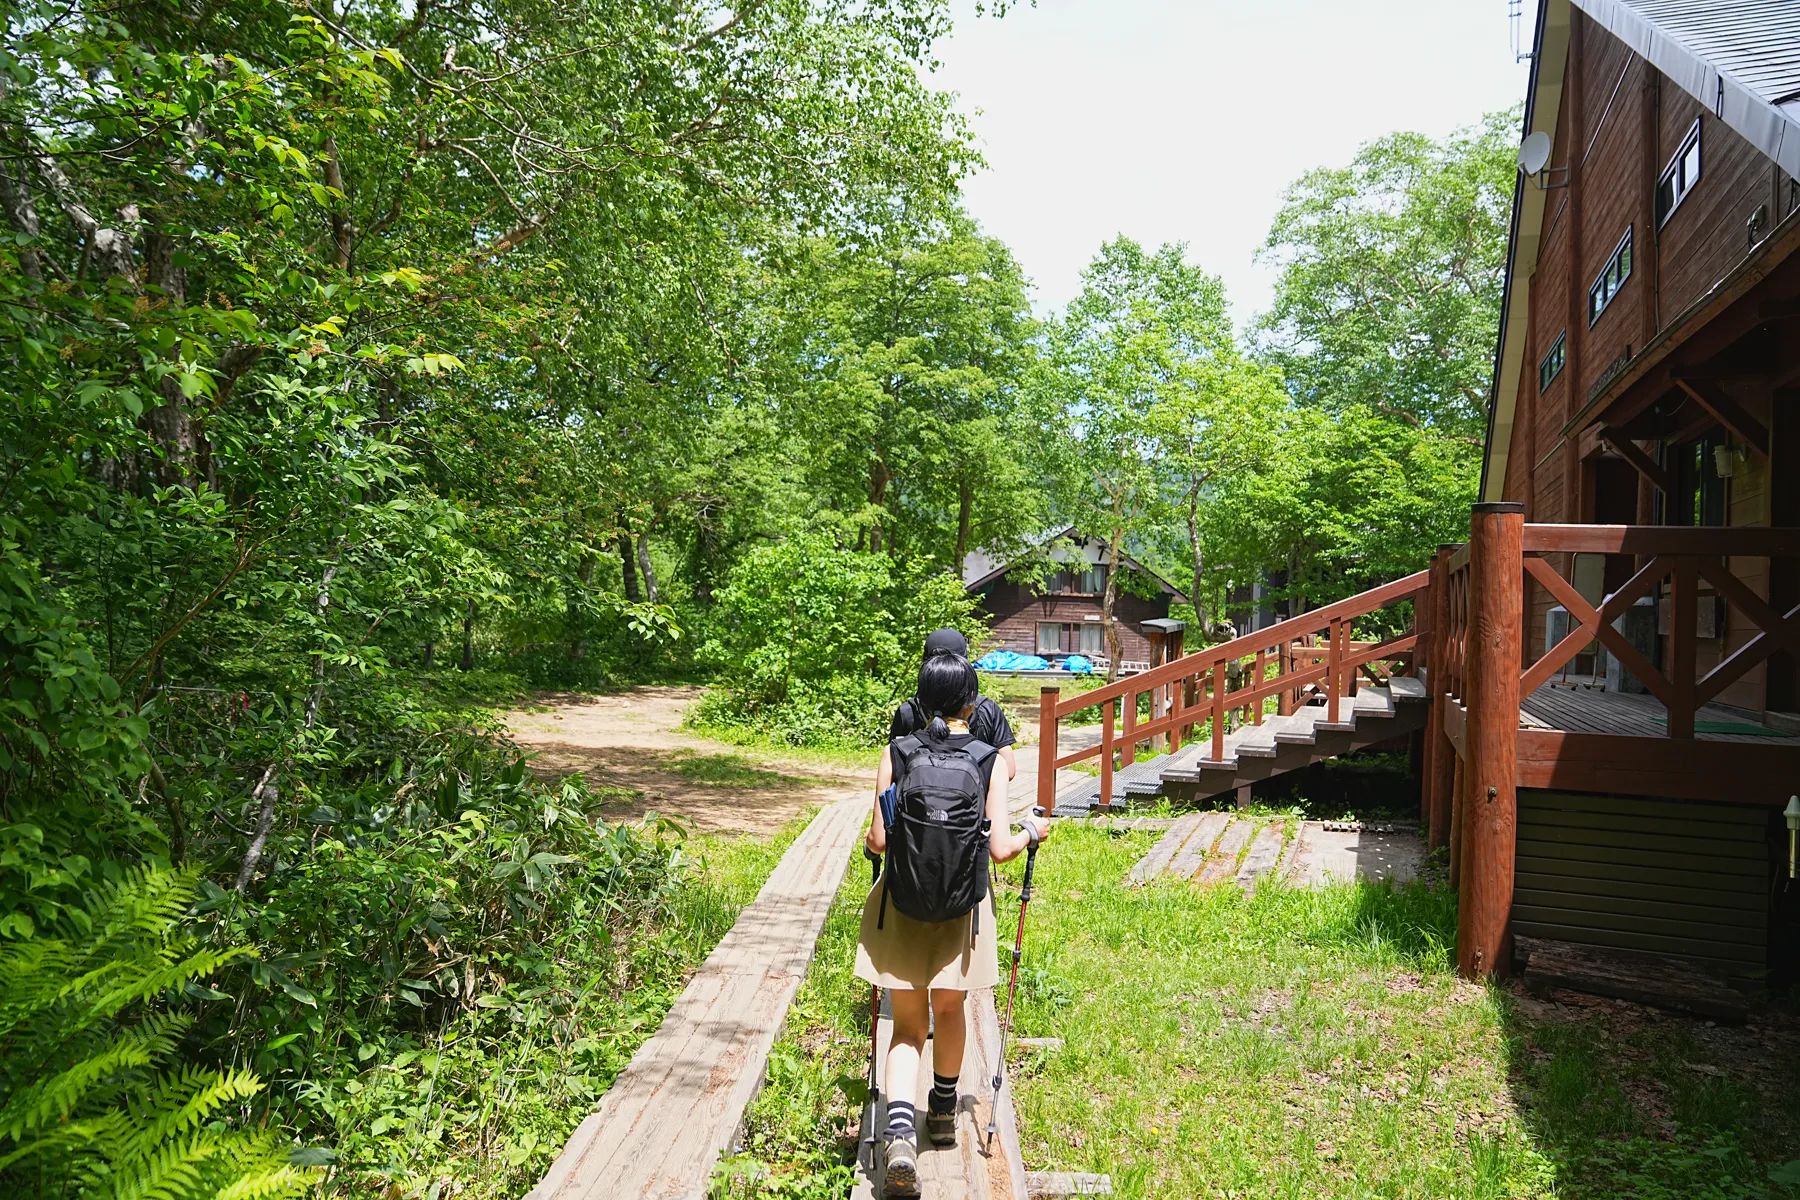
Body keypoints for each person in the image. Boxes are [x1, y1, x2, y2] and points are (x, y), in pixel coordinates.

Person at [859, 653, 1047, 1196]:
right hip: (962, 911)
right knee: (951, 1008)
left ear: (920, 702)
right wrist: (1033, 834)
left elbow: (876, 841)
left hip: (903, 906)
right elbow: (1000, 849)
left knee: (909, 1026)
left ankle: (898, 1133)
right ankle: (941, 1115)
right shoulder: (988, 760)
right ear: (973, 701)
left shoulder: (896, 752)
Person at [890, 628, 1017, 782]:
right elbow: (1008, 770)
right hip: (972, 803)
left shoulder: (908, 711)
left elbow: (895, 768)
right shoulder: (986, 709)